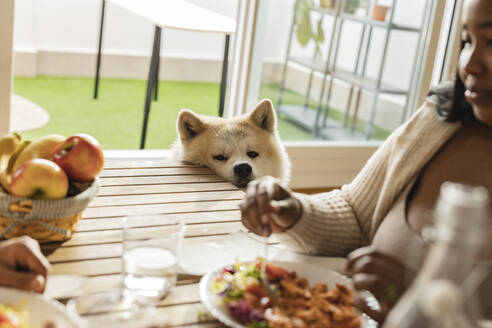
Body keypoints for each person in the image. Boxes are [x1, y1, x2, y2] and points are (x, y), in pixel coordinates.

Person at [240, 0, 492, 322]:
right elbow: (358, 216)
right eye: (467, 41)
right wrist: (294, 212)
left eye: (491, 42)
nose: (469, 66)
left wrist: (415, 310)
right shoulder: (439, 118)